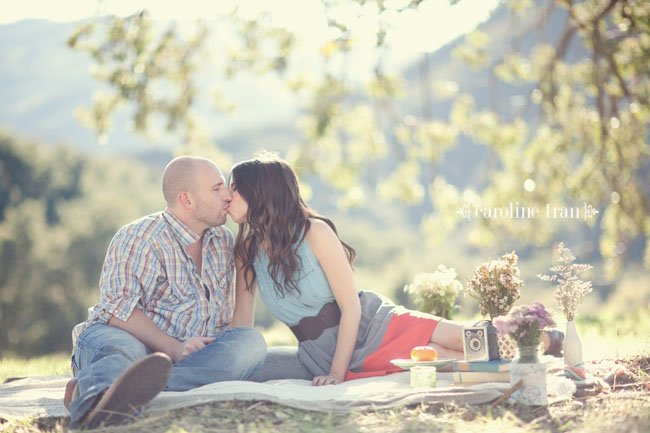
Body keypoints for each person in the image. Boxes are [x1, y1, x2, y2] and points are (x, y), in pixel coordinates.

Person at [227, 154, 563, 386]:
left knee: (465, 340)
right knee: (446, 361)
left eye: (233, 187)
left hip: (373, 324)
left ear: (259, 192)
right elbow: (242, 326)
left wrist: (338, 372)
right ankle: (523, 351)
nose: (227, 196)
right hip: (321, 351)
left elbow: (351, 307)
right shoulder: (246, 252)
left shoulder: (314, 232)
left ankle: (542, 339)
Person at [65, 156, 267, 429]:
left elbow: (222, 324)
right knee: (127, 350)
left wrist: (199, 347)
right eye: (217, 188)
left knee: (250, 343)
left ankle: (119, 389)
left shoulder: (222, 241)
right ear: (187, 200)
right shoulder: (140, 236)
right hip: (122, 334)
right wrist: (173, 347)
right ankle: (97, 403)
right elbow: (117, 309)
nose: (228, 196)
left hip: (183, 356)